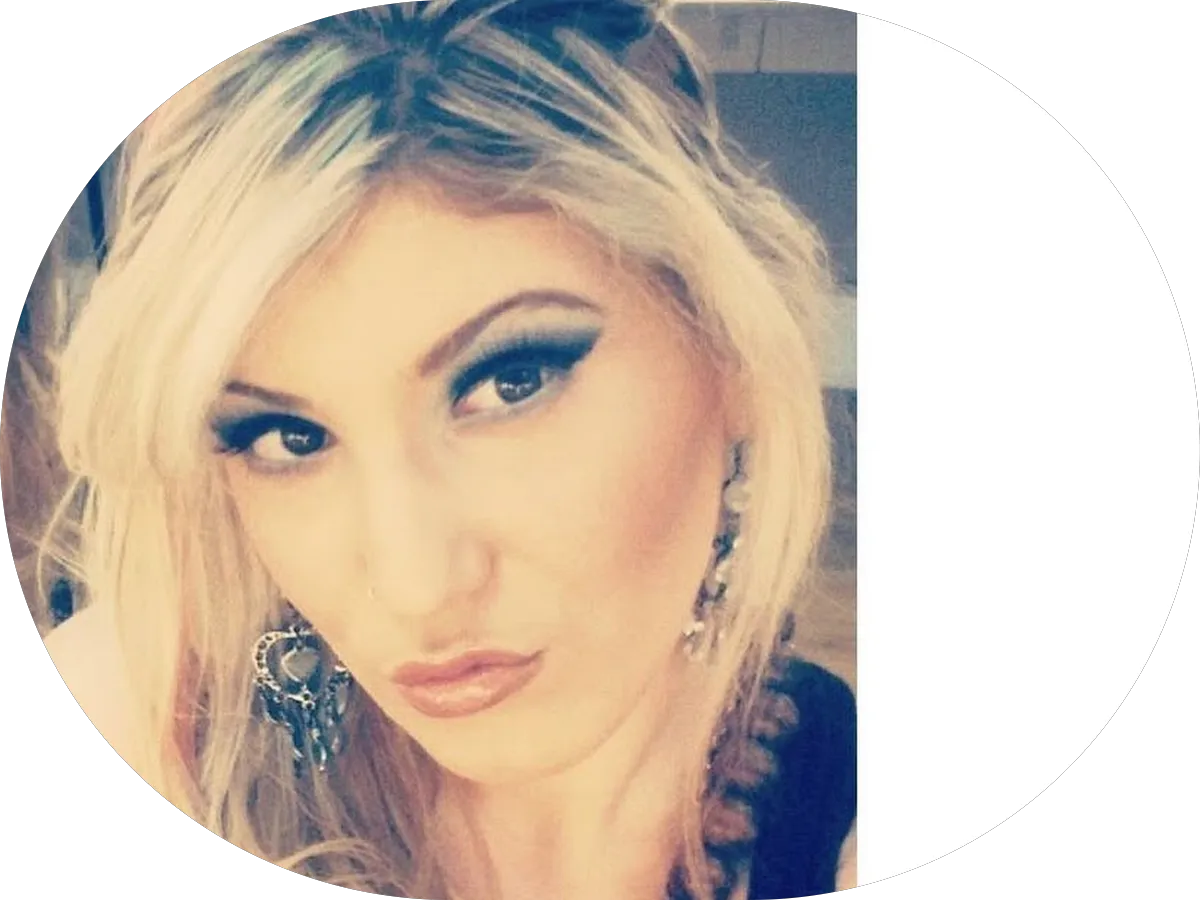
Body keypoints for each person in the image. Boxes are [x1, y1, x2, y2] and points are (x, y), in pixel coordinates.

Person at [3, 2, 855, 898]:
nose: (415, 587)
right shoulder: (154, 730)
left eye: (510, 383)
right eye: (288, 438)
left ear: (732, 355)